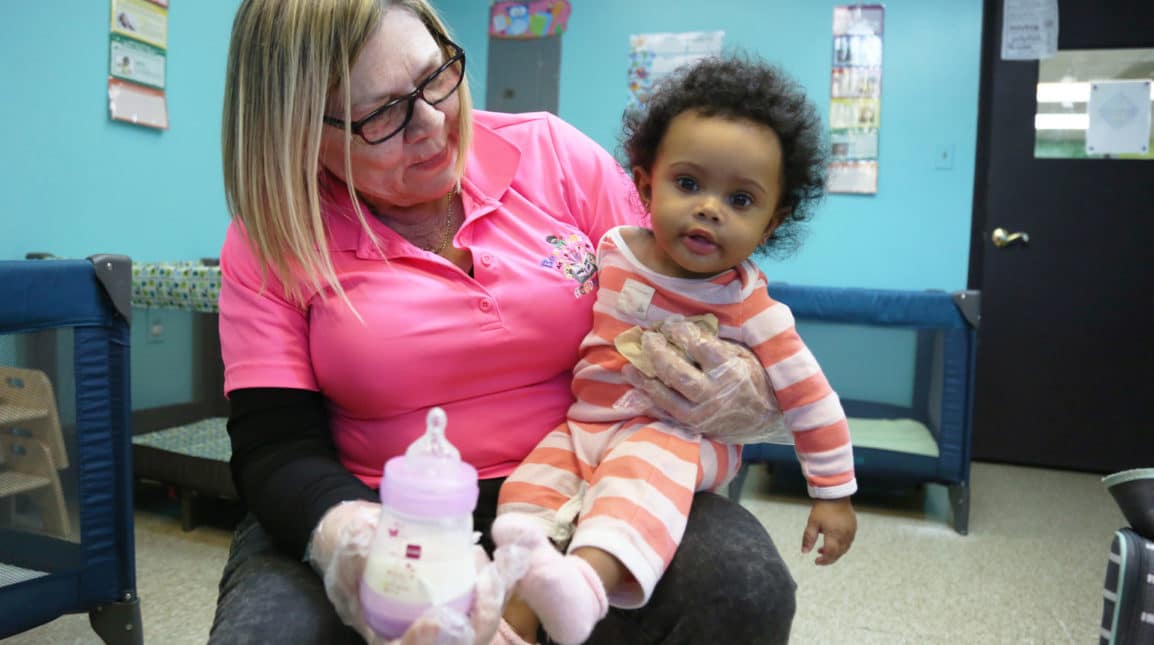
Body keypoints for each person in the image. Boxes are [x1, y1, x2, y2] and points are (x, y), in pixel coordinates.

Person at [211, 1, 795, 643]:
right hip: (382, 507)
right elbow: (275, 447)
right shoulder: (275, 236)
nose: (433, 123)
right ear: (297, 132)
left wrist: (745, 383)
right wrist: (350, 538)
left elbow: (699, 292)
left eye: (436, 77)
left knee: (744, 586)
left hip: (587, 478)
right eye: (380, 114)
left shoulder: (551, 154)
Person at [491, 56, 859, 645]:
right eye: (688, 184)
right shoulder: (613, 250)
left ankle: (583, 586)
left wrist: (834, 493)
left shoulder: (753, 309)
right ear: (644, 186)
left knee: (637, 481)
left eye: (741, 200)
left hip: (679, 439)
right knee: (528, 497)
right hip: (584, 425)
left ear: (771, 224)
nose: (710, 208)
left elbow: (812, 399)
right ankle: (515, 621)